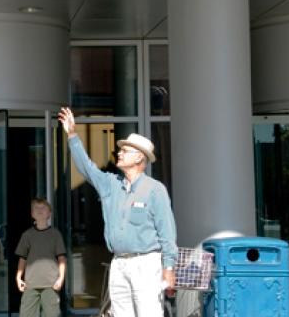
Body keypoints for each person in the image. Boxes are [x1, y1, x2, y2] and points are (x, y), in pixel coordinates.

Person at [58, 107, 178, 317]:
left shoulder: (154, 190)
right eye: (120, 150)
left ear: (140, 158)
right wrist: (72, 135)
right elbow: (87, 168)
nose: (119, 153)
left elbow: (167, 234)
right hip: (119, 262)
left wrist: (169, 269)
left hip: (146, 263)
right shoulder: (111, 185)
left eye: (125, 151)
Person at [15, 198, 67, 317]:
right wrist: (18, 278)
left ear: (49, 213)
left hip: (51, 284)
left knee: (52, 314)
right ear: (32, 214)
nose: (39, 210)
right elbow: (22, 258)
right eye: (36, 208)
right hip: (30, 284)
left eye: (43, 208)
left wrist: (61, 278)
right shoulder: (27, 235)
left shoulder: (55, 234)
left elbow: (62, 259)